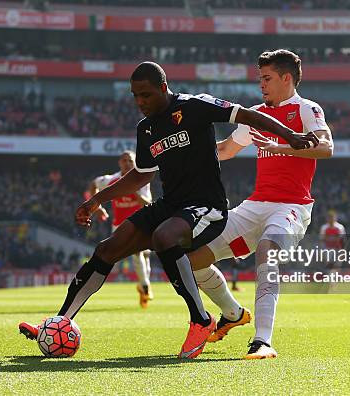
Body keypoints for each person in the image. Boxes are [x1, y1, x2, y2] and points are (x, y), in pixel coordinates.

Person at [18, 61, 318, 359]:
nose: (140, 102)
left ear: (163, 87)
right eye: (134, 95)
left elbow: (249, 115)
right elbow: (141, 175)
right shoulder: (146, 128)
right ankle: (60, 321)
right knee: (108, 248)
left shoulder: (195, 105)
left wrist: (291, 137)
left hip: (207, 206)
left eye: (146, 95)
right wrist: (99, 199)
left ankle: (200, 320)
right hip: (171, 205)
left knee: (165, 237)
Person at [188, 49, 333, 359]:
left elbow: (325, 147)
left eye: (267, 79)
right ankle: (232, 312)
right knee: (192, 258)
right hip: (254, 205)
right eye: (260, 79)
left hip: (292, 206)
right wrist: (184, 154)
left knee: (268, 251)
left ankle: (262, 341)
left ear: (286, 78)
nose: (261, 85)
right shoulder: (255, 114)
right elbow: (226, 149)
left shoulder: (306, 109)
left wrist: (281, 145)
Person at [87, 151, 153, 308]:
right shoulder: (112, 180)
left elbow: (147, 204)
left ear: (135, 162)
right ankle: (145, 286)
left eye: (130, 160)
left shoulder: (141, 180)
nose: (127, 163)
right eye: (124, 160)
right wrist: (98, 208)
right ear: (119, 163)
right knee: (133, 254)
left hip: (141, 222)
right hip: (120, 225)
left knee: (143, 255)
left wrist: (134, 191)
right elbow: (94, 184)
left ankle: (144, 286)